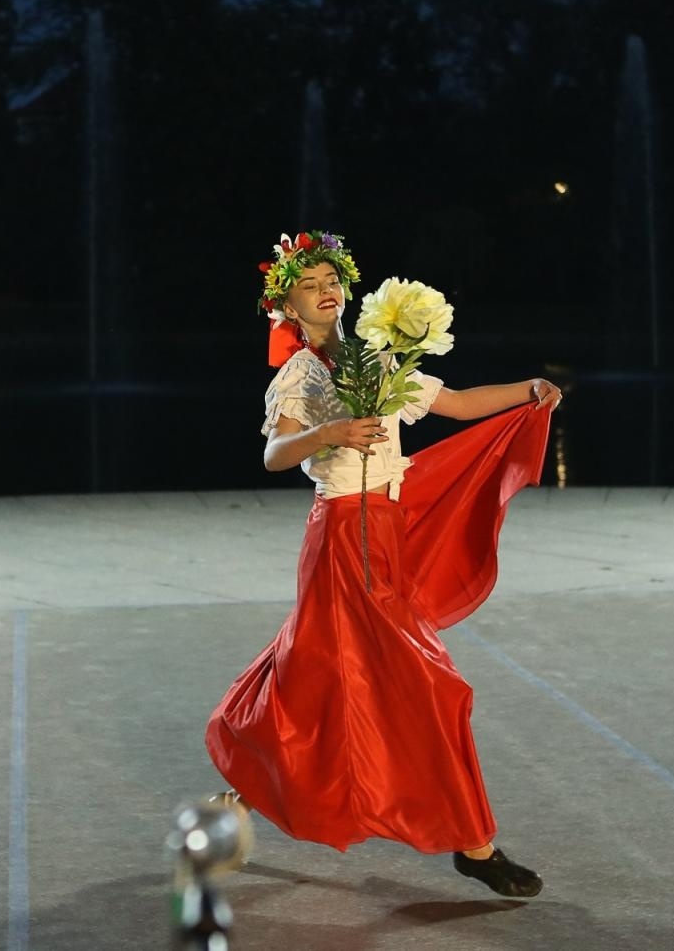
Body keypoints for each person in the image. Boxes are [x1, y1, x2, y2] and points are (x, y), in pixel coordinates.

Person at [204, 231, 563, 898]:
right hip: (342, 540)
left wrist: (528, 389)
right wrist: (331, 433)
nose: (324, 290)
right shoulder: (301, 375)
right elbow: (276, 454)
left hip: (385, 537)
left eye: (329, 279)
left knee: (314, 681)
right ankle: (476, 846)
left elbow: (455, 403)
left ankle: (235, 806)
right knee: (424, 688)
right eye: (308, 285)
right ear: (287, 305)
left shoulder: (377, 360)